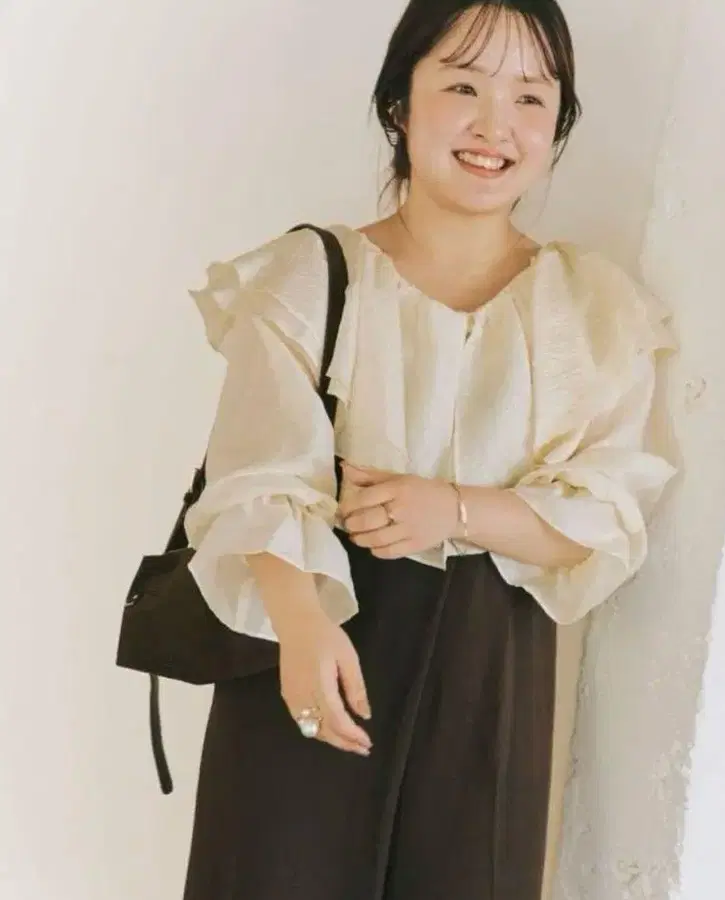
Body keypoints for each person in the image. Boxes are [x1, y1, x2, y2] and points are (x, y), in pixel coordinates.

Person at [180, 1, 676, 898]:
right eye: (463, 86)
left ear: (558, 125)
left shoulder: (593, 311)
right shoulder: (310, 276)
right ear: (399, 102)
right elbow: (255, 473)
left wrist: (449, 509)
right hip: (320, 634)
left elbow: (607, 515)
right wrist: (301, 626)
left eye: (531, 97)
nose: (495, 125)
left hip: (493, 668)